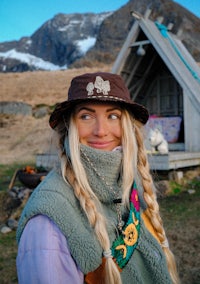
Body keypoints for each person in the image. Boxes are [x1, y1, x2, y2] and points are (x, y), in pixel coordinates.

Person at [16, 72, 179, 284]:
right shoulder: (48, 220)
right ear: (69, 126)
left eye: (113, 116)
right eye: (86, 116)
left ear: (127, 126)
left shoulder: (129, 186)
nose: (101, 131)